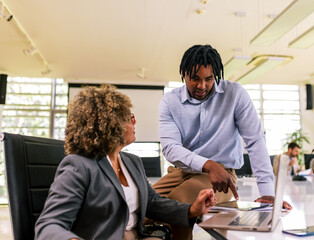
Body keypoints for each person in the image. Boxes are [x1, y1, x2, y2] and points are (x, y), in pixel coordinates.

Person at [35, 85, 216, 240]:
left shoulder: (132, 162)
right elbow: (49, 225)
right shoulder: (79, 165)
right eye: (129, 117)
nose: (135, 121)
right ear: (111, 125)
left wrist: (192, 209)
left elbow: (152, 203)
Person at [152, 44, 291, 239]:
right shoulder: (170, 101)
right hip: (181, 171)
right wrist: (208, 164)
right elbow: (170, 148)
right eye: (195, 79)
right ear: (183, 74)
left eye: (209, 79)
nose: (202, 86)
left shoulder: (235, 94)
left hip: (222, 178)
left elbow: (255, 141)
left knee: (178, 204)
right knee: (139, 204)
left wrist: (267, 192)